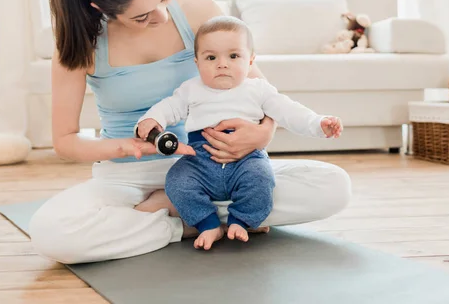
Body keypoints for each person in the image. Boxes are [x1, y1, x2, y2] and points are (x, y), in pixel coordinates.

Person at [28, 0, 352, 264]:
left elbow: (260, 89)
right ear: (102, 10)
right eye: (142, 17)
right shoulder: (81, 42)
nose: (162, 16)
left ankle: (186, 215)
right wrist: (128, 146)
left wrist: (263, 132)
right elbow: (65, 141)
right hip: (127, 177)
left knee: (333, 186)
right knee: (51, 234)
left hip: (214, 163)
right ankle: (186, 223)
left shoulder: (199, 10)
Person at [136, 16, 343, 250]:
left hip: (247, 160)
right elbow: (169, 107)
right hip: (199, 161)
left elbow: (289, 111)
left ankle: (242, 221)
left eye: (234, 56)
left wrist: (318, 123)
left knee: (261, 179)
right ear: (197, 62)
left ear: (251, 60)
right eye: (211, 57)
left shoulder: (259, 89)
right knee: (176, 180)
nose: (222, 64)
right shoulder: (191, 89)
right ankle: (207, 223)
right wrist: (151, 120)